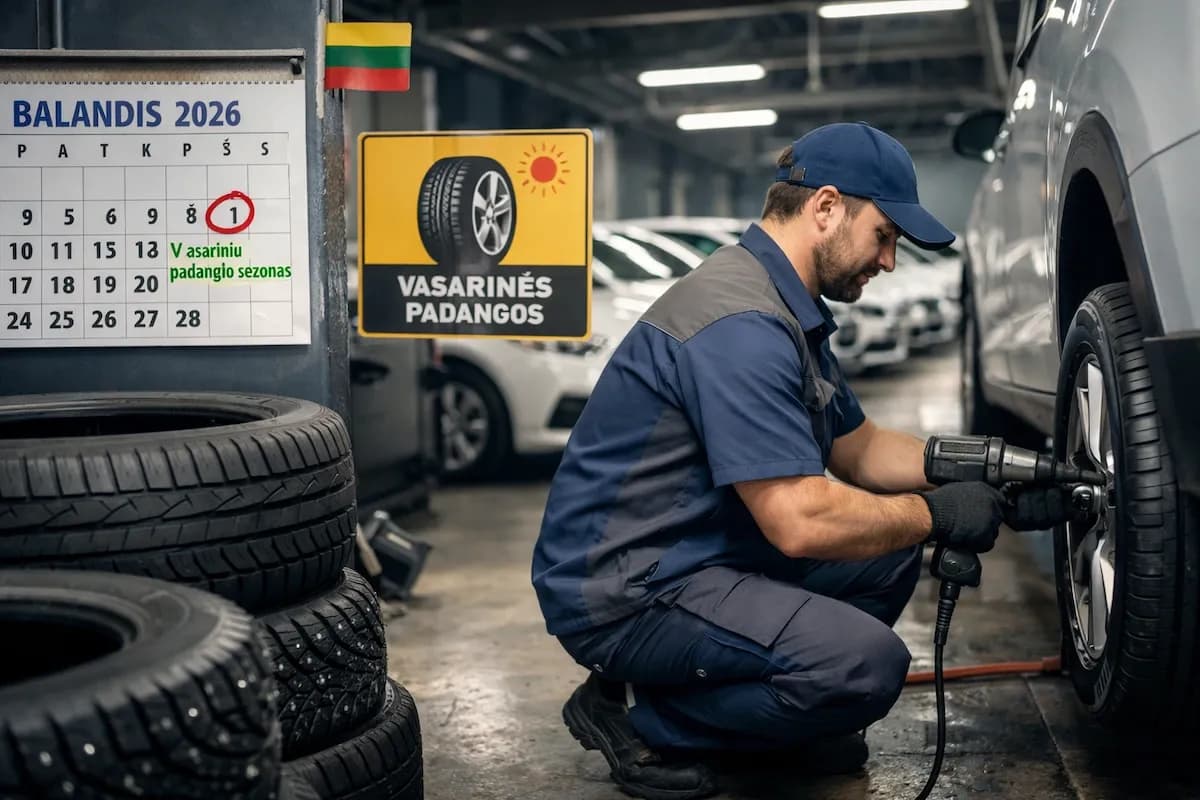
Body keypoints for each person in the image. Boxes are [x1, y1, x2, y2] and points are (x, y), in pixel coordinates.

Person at [530, 122, 1077, 800]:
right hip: (624, 587)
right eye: (885, 236)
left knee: (887, 550)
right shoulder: (742, 325)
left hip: (695, 550)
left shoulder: (785, 306)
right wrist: (936, 516)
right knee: (864, 668)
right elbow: (798, 520)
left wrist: (987, 476)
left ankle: (765, 717)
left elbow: (862, 448)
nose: (889, 262)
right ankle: (637, 714)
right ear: (825, 208)